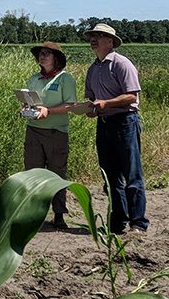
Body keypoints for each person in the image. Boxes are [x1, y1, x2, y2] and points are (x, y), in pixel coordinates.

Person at [83, 22, 149, 234]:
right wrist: (90, 109)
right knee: (109, 176)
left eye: (100, 36)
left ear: (110, 41)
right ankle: (117, 222)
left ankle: (138, 223)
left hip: (125, 122)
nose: (94, 39)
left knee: (132, 175)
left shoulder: (122, 64)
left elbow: (132, 95)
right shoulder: (93, 68)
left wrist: (105, 104)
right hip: (104, 125)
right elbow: (92, 98)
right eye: (92, 36)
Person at [22, 41, 77, 229]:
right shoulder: (34, 79)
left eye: (47, 53)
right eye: (40, 53)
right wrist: (25, 109)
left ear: (56, 58)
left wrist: (48, 111)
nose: (42, 56)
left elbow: (70, 106)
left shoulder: (65, 79)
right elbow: (30, 102)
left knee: (56, 174)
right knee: (33, 172)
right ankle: (34, 214)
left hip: (56, 133)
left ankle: (59, 215)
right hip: (34, 130)